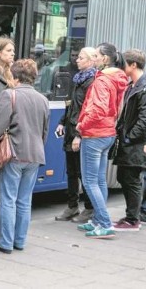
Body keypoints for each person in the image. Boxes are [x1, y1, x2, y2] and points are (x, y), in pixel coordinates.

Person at [0, 59, 49, 254]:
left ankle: (6, 242)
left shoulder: (9, 95)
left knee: (8, 200)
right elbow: (44, 131)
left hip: (13, 154)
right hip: (34, 155)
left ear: (14, 76)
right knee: (24, 201)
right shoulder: (43, 99)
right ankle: (19, 241)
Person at [75, 42, 128, 239]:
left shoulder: (101, 81)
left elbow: (97, 109)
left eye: (96, 55)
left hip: (94, 134)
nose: (94, 58)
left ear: (105, 59)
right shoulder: (119, 78)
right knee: (99, 180)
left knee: (90, 182)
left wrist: (82, 125)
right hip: (107, 133)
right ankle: (98, 220)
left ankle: (105, 223)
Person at [53, 47, 98, 223]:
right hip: (70, 130)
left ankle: (89, 208)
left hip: (81, 132)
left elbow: (88, 111)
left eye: (80, 57)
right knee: (71, 171)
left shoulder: (92, 82)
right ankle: (72, 206)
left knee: (82, 172)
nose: (76, 60)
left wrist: (80, 135)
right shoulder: (78, 79)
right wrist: (62, 122)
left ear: (91, 60)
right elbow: (71, 105)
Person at [111, 49, 146, 232]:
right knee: (123, 177)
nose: (120, 65)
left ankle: (133, 219)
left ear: (133, 65)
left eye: (124, 62)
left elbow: (144, 119)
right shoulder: (133, 85)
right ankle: (130, 216)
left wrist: (128, 137)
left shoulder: (144, 87)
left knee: (131, 179)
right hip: (129, 142)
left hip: (135, 143)